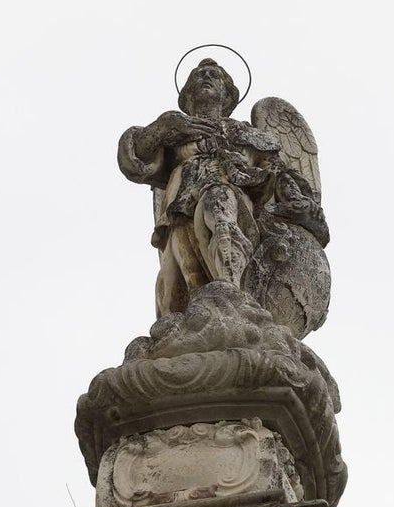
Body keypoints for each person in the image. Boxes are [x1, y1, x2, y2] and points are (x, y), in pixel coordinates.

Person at [117, 59, 281, 315]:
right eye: (198, 75)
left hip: (227, 191)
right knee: (176, 276)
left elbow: (278, 175)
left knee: (218, 215)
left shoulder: (243, 132)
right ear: (188, 94)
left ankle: (231, 293)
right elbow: (136, 159)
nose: (205, 77)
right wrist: (163, 127)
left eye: (214, 75)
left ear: (227, 95)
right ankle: (189, 321)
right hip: (180, 203)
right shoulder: (176, 128)